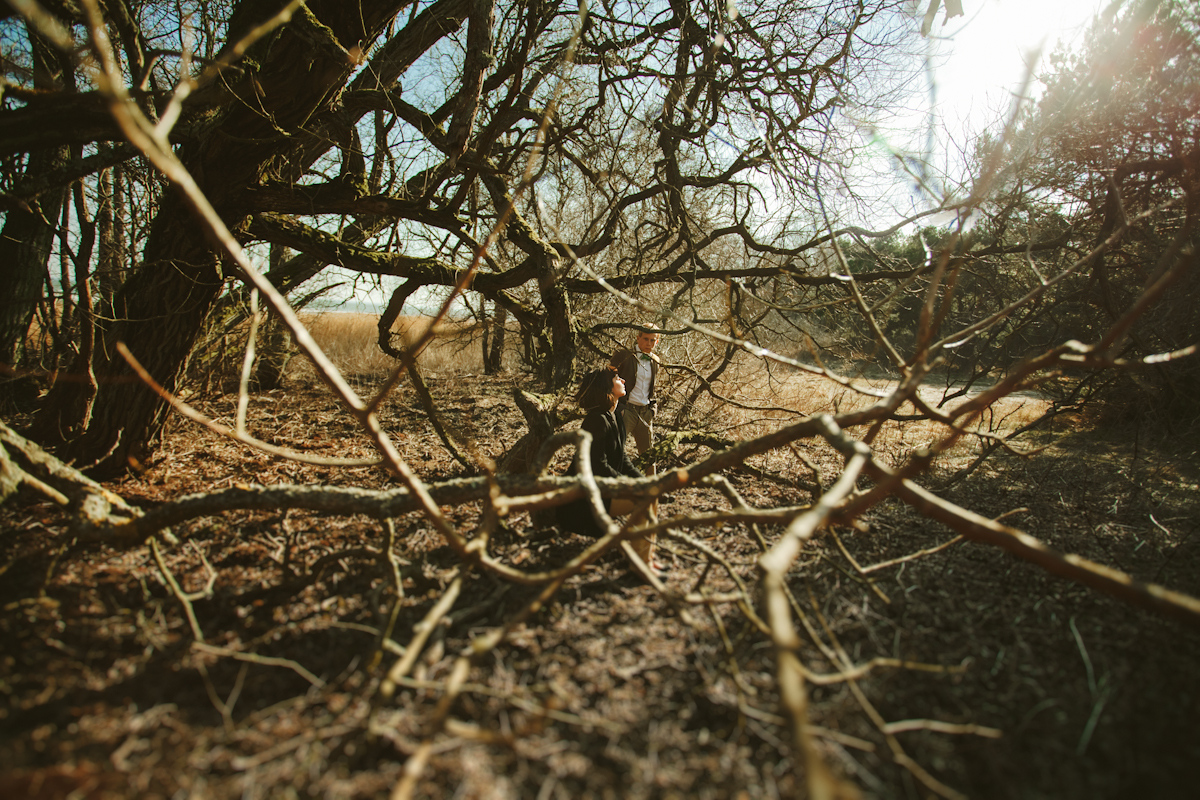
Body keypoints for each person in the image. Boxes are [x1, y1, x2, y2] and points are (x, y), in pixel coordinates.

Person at [555, 367, 660, 571]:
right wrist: (628, 485)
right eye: (616, 378)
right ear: (607, 387)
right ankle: (638, 561)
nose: (622, 379)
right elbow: (598, 466)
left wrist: (642, 481)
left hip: (604, 489)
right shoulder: (596, 420)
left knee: (651, 493)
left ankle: (642, 555)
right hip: (584, 500)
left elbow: (622, 458)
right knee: (644, 499)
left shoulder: (616, 416)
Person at [610, 324, 661, 459]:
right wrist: (619, 407)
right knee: (615, 450)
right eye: (645, 339)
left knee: (649, 457)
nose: (648, 343)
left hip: (645, 413)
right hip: (626, 411)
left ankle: (651, 481)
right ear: (638, 338)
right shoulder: (624, 355)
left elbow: (652, 388)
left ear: (656, 341)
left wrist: (653, 409)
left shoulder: (655, 361)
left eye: (652, 340)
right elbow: (609, 378)